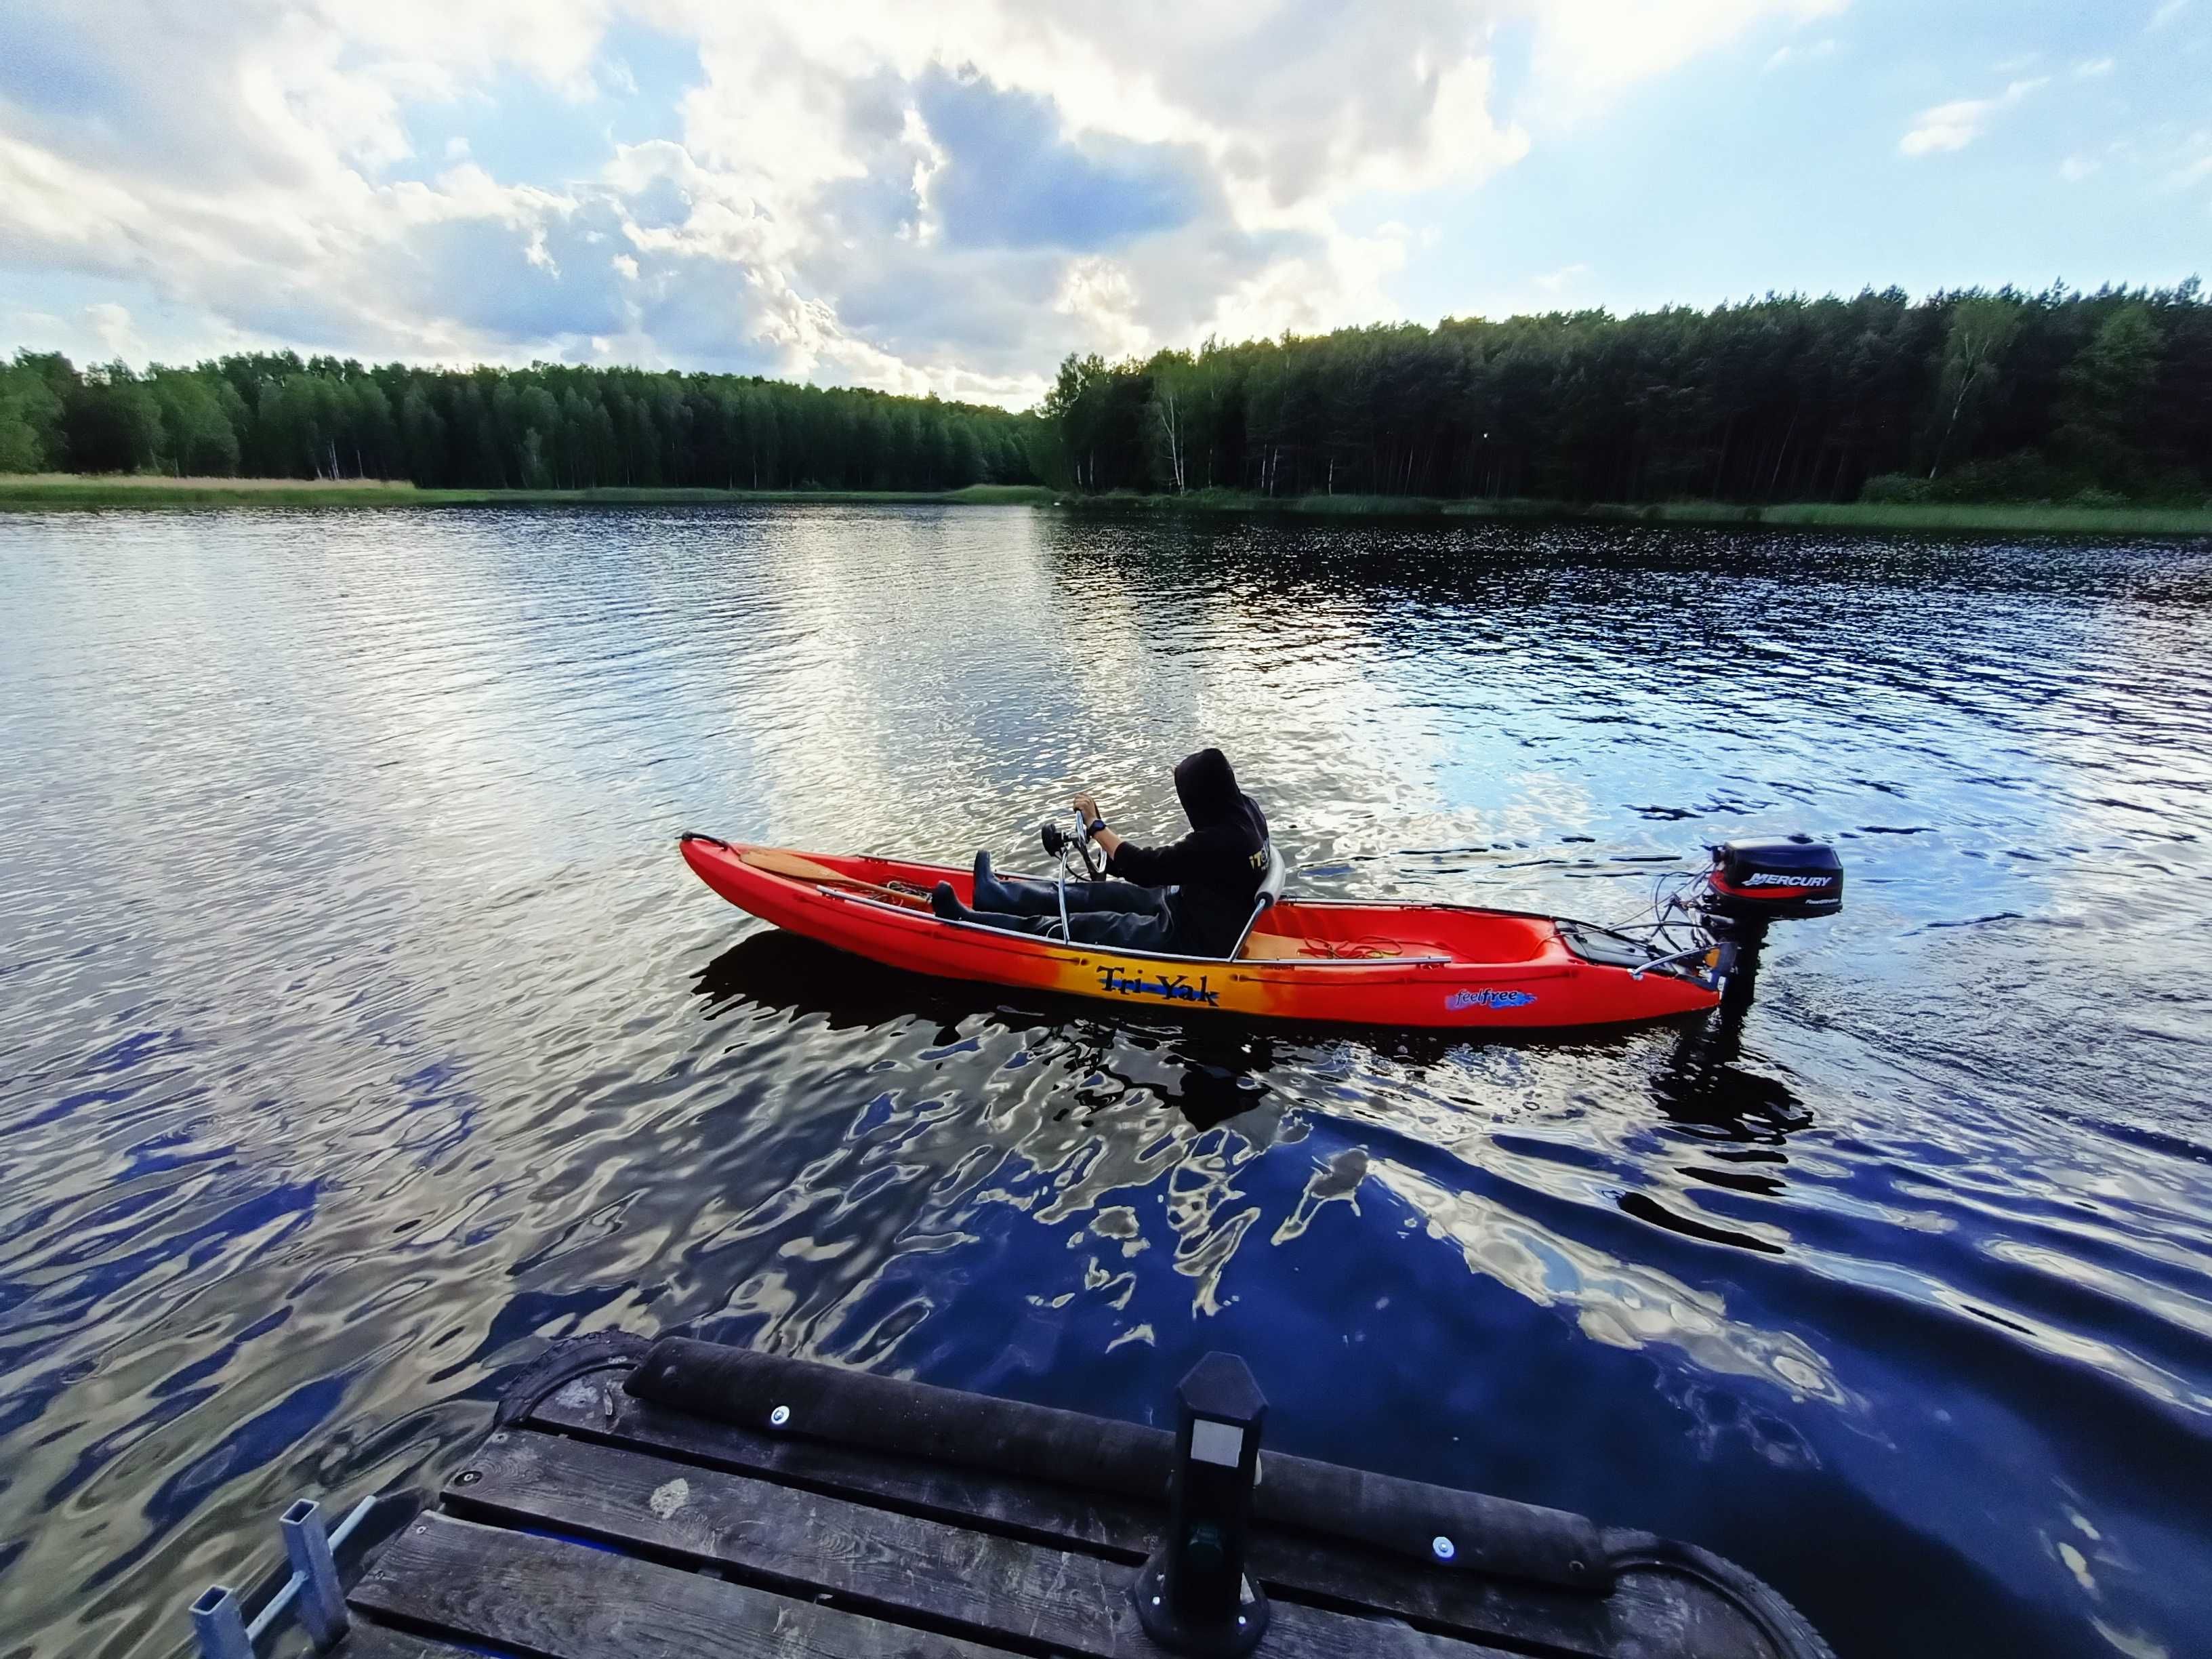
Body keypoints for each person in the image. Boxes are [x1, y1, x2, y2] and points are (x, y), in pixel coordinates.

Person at [929, 747, 1270, 958]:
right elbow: (1169, 867)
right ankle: (997, 895)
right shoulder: (1247, 813)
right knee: (1097, 894)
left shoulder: (1220, 842)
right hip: (1191, 904)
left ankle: (971, 924)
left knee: (1082, 927)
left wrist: (1096, 826)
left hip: (1191, 938)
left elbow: (1145, 867)